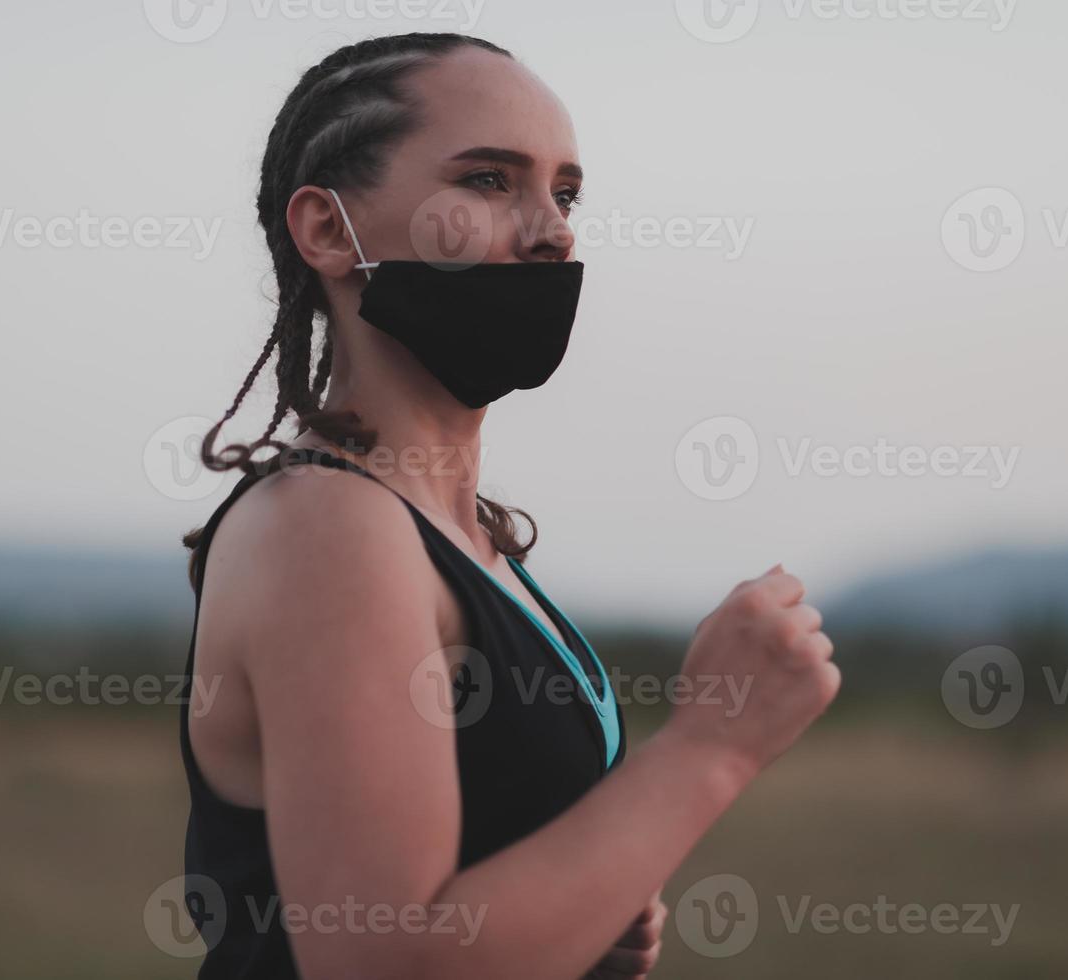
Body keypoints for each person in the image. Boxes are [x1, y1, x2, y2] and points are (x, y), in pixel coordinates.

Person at [177, 32, 839, 980]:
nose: (553, 230)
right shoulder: (328, 526)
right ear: (327, 231)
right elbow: (385, 964)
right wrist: (710, 750)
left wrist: (583, 908)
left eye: (565, 193)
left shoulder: (468, 540)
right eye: (489, 182)